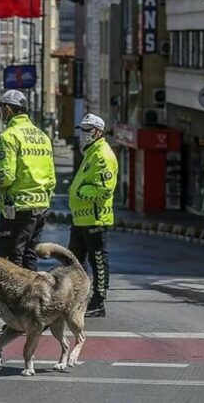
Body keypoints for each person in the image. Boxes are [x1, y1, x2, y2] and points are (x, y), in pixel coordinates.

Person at [0, 90, 56, 271]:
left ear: (8, 109)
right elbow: (52, 178)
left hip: (17, 208)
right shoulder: (43, 137)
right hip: (41, 207)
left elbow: (5, 177)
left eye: (2, 110)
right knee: (30, 254)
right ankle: (34, 297)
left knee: (11, 257)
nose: (1, 114)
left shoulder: (8, 136)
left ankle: (16, 298)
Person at [68, 113, 118, 318]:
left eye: (87, 130)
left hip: (95, 218)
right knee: (74, 261)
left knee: (98, 260)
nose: (83, 134)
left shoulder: (102, 155)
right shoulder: (91, 153)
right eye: (82, 129)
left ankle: (99, 302)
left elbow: (104, 190)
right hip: (81, 218)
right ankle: (74, 298)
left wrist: (80, 192)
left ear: (98, 132)